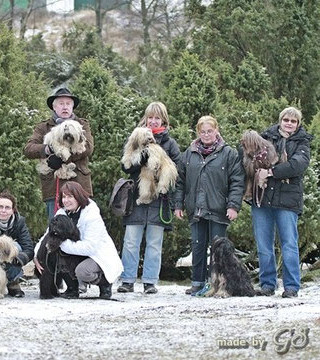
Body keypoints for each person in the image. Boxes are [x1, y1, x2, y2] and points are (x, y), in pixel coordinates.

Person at [173, 116, 245, 296]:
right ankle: (197, 282)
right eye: (203, 132)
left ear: (216, 131)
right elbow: (180, 181)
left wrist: (233, 206)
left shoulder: (228, 153)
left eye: (209, 131)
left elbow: (237, 181)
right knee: (197, 245)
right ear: (198, 132)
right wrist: (178, 205)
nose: (206, 135)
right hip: (196, 208)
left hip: (219, 209)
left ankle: (219, 285)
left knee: (218, 250)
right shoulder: (188, 154)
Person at [117, 102, 181, 294]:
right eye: (150, 117)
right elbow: (125, 166)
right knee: (131, 240)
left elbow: (178, 171)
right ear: (145, 119)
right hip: (135, 198)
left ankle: (150, 281)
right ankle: (127, 279)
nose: (153, 121)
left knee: (154, 243)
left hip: (159, 201)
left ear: (164, 120)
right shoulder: (135, 138)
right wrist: (140, 161)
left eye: (157, 118)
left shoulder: (170, 144)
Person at [252, 107, 311, 298]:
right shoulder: (265, 138)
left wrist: (270, 172)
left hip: (288, 200)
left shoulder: (302, 142)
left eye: (293, 121)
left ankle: (292, 286)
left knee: (289, 244)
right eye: (286, 119)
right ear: (280, 120)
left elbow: (297, 166)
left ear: (298, 123)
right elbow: (250, 157)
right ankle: (267, 284)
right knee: (264, 244)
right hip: (262, 199)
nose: (289, 123)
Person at [34, 181, 123, 299]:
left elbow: (90, 247)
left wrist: (61, 244)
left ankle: (105, 283)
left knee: (83, 272)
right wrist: (36, 256)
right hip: (76, 252)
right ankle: (72, 288)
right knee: (56, 254)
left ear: (79, 196)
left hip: (95, 254)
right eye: (64, 197)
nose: (66, 200)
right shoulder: (61, 213)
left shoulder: (92, 215)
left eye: (70, 196)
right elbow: (47, 236)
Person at [24, 87, 94, 219]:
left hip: (79, 183)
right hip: (53, 186)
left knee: (82, 225)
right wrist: (48, 149)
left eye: (68, 104)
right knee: (56, 227)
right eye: (61, 104)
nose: (65, 107)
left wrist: (62, 157)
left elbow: (88, 148)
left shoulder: (82, 125)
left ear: (72, 107)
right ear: (54, 107)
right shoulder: (43, 127)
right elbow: (28, 149)